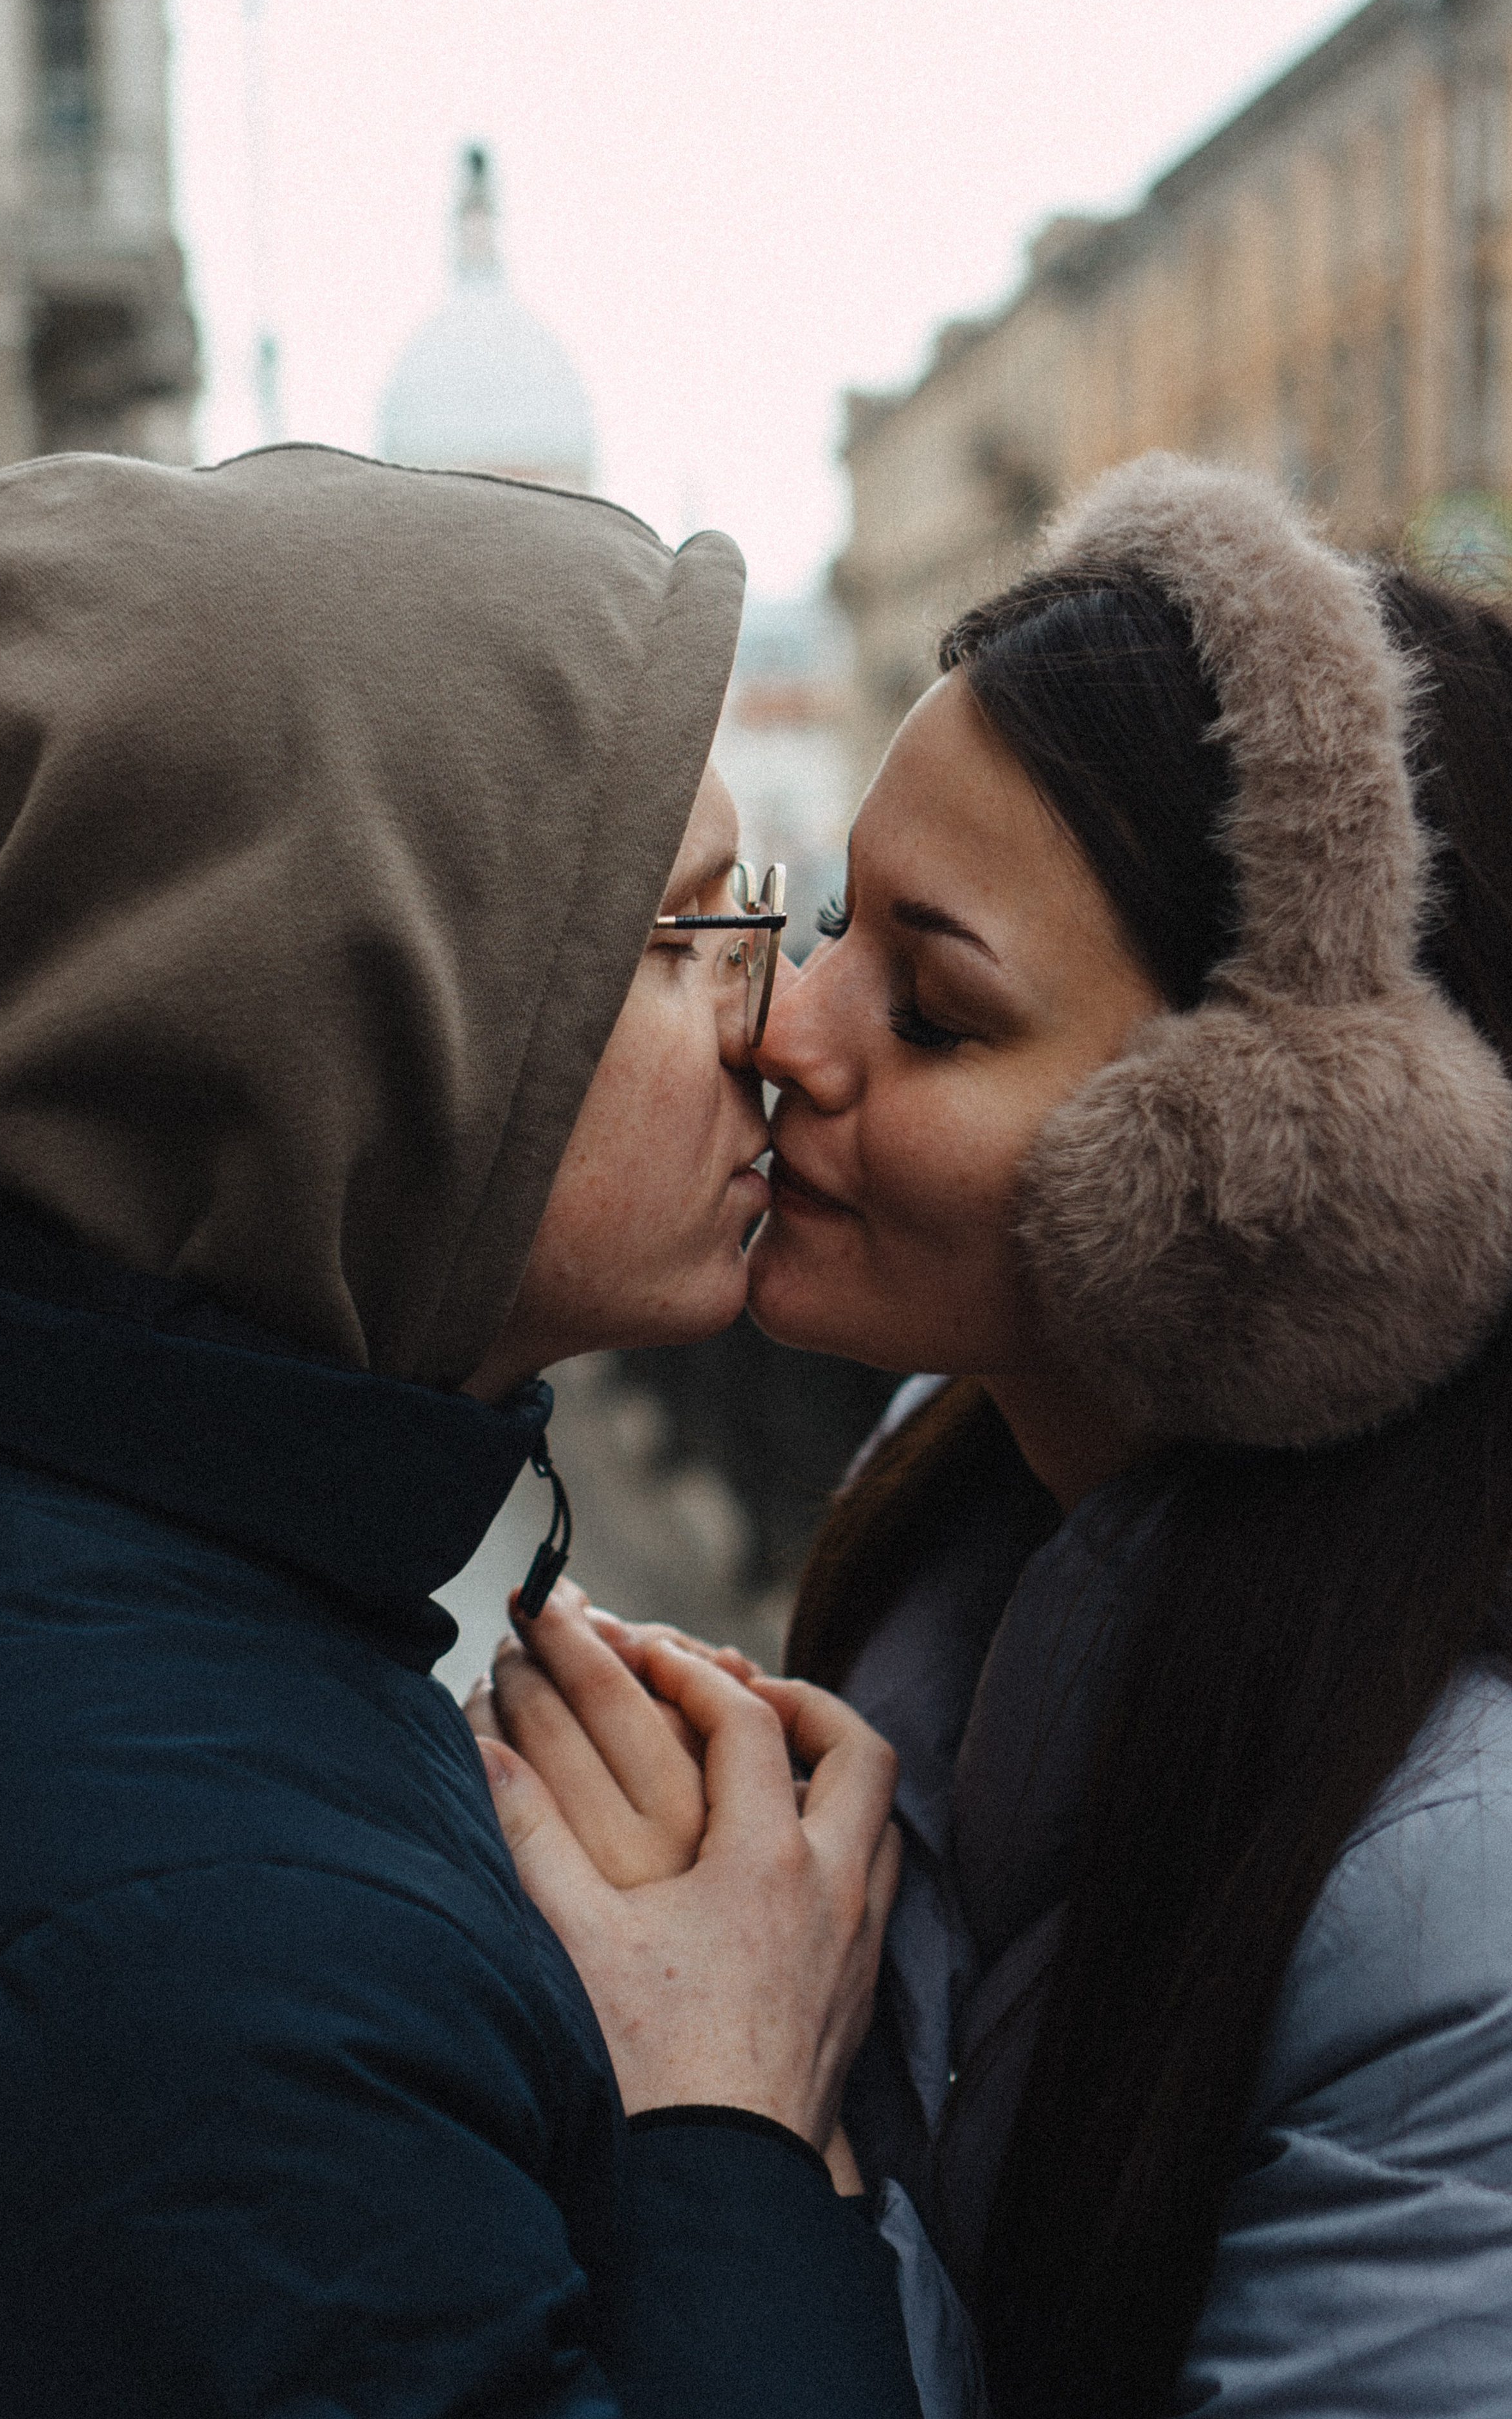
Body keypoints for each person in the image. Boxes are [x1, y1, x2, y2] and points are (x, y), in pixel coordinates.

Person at [0, 444, 925, 2418]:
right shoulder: (200, 1950)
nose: (771, 1025)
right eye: (693, 929)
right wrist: (727, 2114)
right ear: (380, 1019)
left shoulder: (109, 1552)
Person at [479, 454, 1512, 2416]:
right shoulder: (948, 1515)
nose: (784, 1028)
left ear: (1284, 1174)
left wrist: (741, 2119)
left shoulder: (1463, 1909)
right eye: (837, 922)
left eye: (935, 1009)